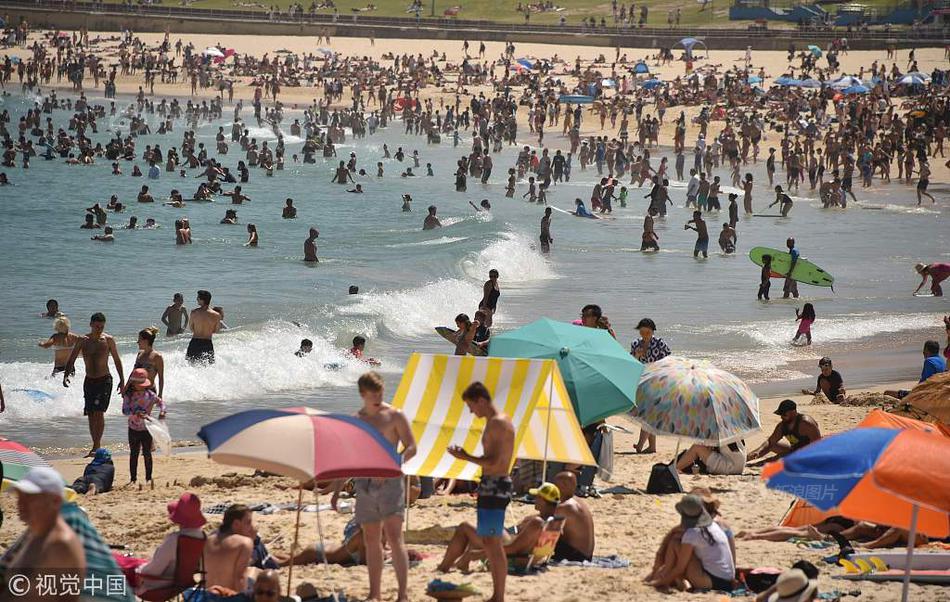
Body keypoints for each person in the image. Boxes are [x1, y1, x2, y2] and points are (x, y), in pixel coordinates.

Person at [332, 372, 416, 602]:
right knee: (371, 539)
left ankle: (402, 594)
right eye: (373, 394)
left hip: (390, 482)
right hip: (365, 484)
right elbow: (347, 458)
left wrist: (393, 464)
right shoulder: (357, 420)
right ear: (362, 395)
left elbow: (411, 447)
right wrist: (337, 491)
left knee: (394, 537)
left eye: (380, 393)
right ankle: (375, 593)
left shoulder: (395, 416)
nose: (379, 397)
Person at [447, 382, 515, 602]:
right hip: (491, 484)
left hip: (496, 485)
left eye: (471, 406)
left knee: (493, 543)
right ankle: (498, 595)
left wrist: (466, 457)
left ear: (482, 401)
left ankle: (499, 596)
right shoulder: (496, 422)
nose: (470, 411)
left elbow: (495, 460)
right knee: (489, 541)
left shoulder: (498, 423)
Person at [437, 481, 561, 573]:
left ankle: (445, 566)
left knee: (465, 527)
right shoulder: (554, 522)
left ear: (543, 500)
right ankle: (462, 563)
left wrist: (479, 553)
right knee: (488, 527)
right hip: (524, 557)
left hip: (512, 560)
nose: (535, 500)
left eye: (538, 497)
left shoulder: (537, 522)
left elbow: (513, 548)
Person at [6, 467, 86, 602]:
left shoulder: (59, 543)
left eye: (30, 498)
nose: (21, 504)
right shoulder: (38, 533)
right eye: (20, 496)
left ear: (55, 501)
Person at [63, 313, 125, 457]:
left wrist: (122, 380)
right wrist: (66, 374)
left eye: (101, 327)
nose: (99, 329)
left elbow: (117, 360)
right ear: (91, 324)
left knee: (99, 412)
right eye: (97, 326)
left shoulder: (108, 340)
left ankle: (97, 446)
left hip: (104, 380)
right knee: (91, 414)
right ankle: (95, 444)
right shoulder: (82, 340)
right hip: (89, 380)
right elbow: (72, 358)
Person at [646, 494, 735, 593]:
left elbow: (680, 568)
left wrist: (659, 582)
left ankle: (668, 577)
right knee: (677, 543)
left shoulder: (692, 533)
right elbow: (675, 532)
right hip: (727, 579)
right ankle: (668, 575)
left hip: (712, 581)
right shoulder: (712, 526)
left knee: (677, 547)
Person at [137, 492, 207, 595]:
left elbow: (154, 570)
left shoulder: (174, 539)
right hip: (187, 584)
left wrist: (139, 569)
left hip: (162, 586)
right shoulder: (203, 537)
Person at [630, 318, 671, 454]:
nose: (644, 335)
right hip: (642, 381)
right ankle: (652, 446)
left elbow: (669, 361)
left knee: (648, 413)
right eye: (642, 332)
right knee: (648, 413)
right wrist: (637, 355)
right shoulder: (635, 344)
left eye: (647, 332)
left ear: (653, 331)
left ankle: (641, 444)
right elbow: (631, 363)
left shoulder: (659, 343)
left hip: (658, 381)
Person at [121, 368, 165, 485]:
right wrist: (135, 414)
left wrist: (162, 411)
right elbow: (125, 411)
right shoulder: (128, 396)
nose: (140, 386)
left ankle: (148, 478)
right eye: (138, 384)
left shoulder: (150, 395)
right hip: (133, 429)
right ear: (133, 383)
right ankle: (133, 479)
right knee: (134, 454)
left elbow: (161, 402)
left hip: (147, 429)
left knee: (147, 454)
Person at [747, 400, 822, 462]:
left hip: (808, 453)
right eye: (780, 414)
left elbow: (818, 446)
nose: (781, 417)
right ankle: (746, 459)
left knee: (779, 458)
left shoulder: (805, 423)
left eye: (784, 414)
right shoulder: (782, 426)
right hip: (794, 449)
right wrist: (758, 451)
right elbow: (770, 441)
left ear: (793, 412)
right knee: (771, 446)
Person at [204, 504, 255, 593]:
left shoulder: (207, 540)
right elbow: (240, 577)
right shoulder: (244, 543)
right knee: (257, 573)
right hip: (228, 596)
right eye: (248, 522)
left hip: (207, 595)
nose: (251, 527)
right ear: (236, 524)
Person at [552, 471, 595, 562]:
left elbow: (543, 520)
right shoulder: (578, 501)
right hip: (585, 553)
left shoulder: (566, 506)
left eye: (555, 485)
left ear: (563, 486)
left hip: (577, 556)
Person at [187, 290, 221, 365]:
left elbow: (191, 328)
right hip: (207, 343)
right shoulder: (216, 315)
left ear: (202, 300)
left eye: (198, 298)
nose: (197, 299)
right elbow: (216, 330)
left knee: (191, 366)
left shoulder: (194, 312)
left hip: (195, 342)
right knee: (208, 367)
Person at [676, 440, 746, 475]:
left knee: (696, 447)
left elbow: (706, 445)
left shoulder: (719, 426)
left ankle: (675, 469)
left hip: (730, 466)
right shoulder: (732, 427)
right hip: (741, 465)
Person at [134, 326, 165, 398]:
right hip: (135, 391)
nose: (137, 342)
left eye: (139, 339)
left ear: (146, 341)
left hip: (149, 392)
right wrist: (126, 387)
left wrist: (160, 394)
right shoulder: (140, 354)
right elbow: (133, 373)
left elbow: (161, 378)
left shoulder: (157, 357)